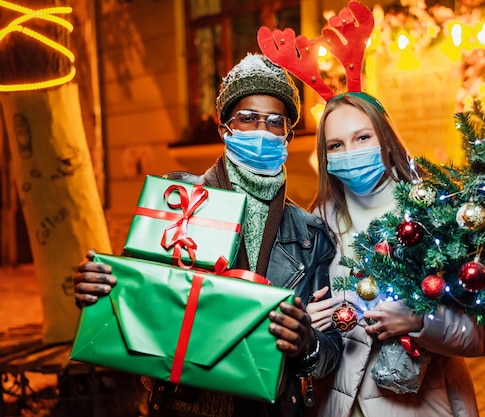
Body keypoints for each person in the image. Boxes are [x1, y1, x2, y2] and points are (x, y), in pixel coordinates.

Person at [73, 53, 343, 417]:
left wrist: (307, 342)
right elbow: (139, 298)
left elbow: (329, 354)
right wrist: (101, 289)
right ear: (224, 129)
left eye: (274, 122)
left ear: (287, 135)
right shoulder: (176, 202)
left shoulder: (310, 234)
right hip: (182, 404)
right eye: (246, 119)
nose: (261, 131)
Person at [304, 92, 485, 417]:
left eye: (362, 137)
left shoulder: (434, 216)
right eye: (336, 145)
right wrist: (308, 321)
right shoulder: (317, 223)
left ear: (385, 139)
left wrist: (419, 321)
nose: (350, 152)